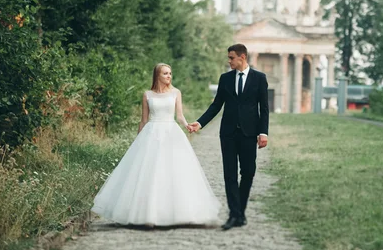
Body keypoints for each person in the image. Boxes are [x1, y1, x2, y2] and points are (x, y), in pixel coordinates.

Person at [91, 63, 221, 227]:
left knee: (173, 170)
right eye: (165, 73)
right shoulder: (147, 95)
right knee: (150, 171)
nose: (169, 76)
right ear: (157, 75)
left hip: (171, 132)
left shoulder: (175, 93)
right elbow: (144, 119)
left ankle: (177, 213)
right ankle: (147, 214)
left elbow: (179, 115)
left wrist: (187, 125)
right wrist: (138, 140)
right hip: (151, 132)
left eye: (170, 73)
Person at [188, 44, 269, 231]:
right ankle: (235, 215)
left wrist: (263, 133)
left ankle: (239, 211)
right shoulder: (225, 79)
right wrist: (200, 123)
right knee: (230, 174)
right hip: (228, 134)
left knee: (248, 172)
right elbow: (216, 105)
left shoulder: (259, 78)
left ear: (242, 57)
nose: (229, 61)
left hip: (249, 134)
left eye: (231, 58)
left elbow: (264, 108)